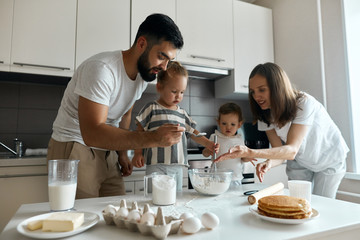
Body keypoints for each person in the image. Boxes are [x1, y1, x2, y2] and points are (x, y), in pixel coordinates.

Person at [47, 14, 185, 199]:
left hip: (108, 151)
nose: (165, 67)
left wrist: (122, 154)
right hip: (75, 146)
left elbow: (125, 115)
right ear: (142, 44)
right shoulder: (102, 69)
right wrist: (153, 138)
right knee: (80, 220)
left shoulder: (142, 78)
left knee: (115, 213)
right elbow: (92, 133)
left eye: (169, 60)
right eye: (162, 57)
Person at [215, 63, 349, 198]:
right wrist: (269, 162)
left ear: (277, 86)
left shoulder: (303, 103)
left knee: (322, 203)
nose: (256, 96)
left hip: (328, 158)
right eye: (253, 91)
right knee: (297, 203)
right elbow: (279, 150)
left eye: (262, 90)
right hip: (300, 160)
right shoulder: (264, 114)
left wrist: (249, 151)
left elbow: (291, 150)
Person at [132, 61, 218, 190]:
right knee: (155, 198)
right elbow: (139, 132)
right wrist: (138, 153)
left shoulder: (182, 114)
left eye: (182, 92)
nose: (179, 96)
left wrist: (208, 144)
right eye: (174, 91)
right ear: (159, 87)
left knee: (175, 199)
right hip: (156, 165)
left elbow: (193, 133)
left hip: (178, 166)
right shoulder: (151, 108)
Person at [202, 102, 252, 186]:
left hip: (235, 178)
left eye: (232, 124)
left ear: (239, 124)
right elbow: (205, 153)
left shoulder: (240, 139)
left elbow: (243, 159)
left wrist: (248, 157)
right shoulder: (215, 137)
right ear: (218, 122)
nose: (228, 127)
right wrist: (208, 151)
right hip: (217, 178)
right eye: (224, 123)